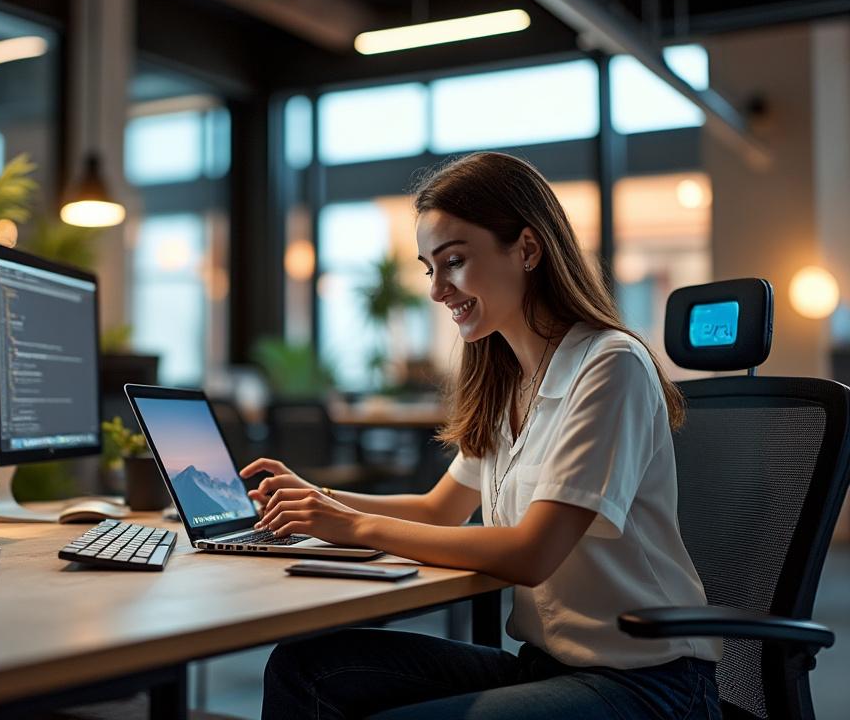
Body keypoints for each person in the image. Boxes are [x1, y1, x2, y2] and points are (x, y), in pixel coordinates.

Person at [240, 152, 722, 720]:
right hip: (547, 664)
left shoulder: (610, 365)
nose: (438, 290)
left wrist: (352, 525)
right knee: (305, 669)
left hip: (648, 684)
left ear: (526, 249)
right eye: (429, 268)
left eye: (455, 262)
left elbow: (532, 552)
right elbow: (439, 509)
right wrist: (316, 500)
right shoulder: (509, 381)